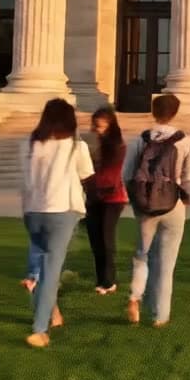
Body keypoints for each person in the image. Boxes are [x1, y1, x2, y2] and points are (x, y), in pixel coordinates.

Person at [20, 99, 95, 348]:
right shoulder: (76, 146)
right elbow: (86, 175)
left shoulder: (31, 144)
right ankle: (39, 328)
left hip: (33, 210)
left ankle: (49, 311)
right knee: (52, 271)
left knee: (41, 263)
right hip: (62, 209)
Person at [124, 94, 190, 328]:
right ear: (175, 112)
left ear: (153, 110)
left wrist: (135, 196)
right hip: (172, 202)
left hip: (145, 202)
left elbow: (126, 173)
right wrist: (184, 194)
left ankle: (135, 296)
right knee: (166, 263)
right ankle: (160, 316)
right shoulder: (185, 141)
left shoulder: (141, 139)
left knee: (142, 253)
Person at [85, 107, 128, 294]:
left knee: (106, 238)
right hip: (94, 195)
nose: (96, 129)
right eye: (95, 125)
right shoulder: (93, 144)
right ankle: (101, 279)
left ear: (110, 125)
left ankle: (109, 281)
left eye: (99, 126)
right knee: (95, 239)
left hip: (112, 197)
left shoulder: (118, 147)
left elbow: (113, 173)